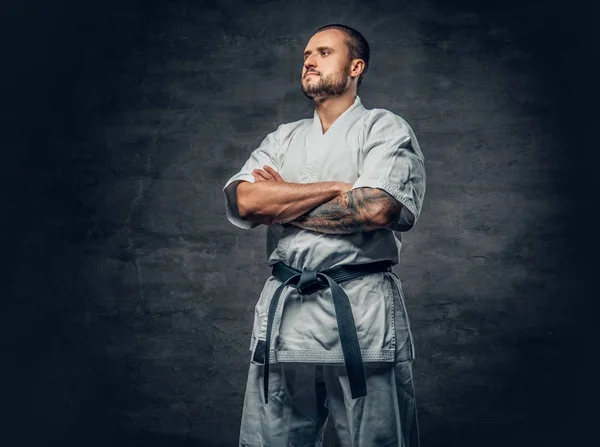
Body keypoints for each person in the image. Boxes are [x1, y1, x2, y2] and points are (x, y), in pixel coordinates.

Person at [222, 23, 426, 447]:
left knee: (377, 440)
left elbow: (377, 207)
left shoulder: (384, 128)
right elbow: (246, 203)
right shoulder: (283, 138)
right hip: (287, 313)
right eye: (306, 55)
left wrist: (283, 207)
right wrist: (335, 189)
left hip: (359, 308)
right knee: (269, 441)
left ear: (356, 66)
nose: (309, 61)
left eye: (323, 53)